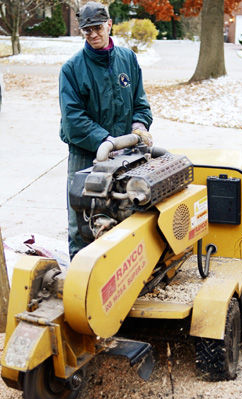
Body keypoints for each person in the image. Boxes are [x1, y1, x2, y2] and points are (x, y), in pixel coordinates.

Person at [59, 1, 153, 260]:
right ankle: (80, 270)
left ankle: (122, 268)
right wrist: (106, 141)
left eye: (98, 28)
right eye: (86, 30)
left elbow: (140, 103)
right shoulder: (72, 69)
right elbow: (73, 120)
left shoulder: (128, 60)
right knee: (82, 215)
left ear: (109, 24)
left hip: (125, 151)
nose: (93, 35)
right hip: (86, 152)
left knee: (124, 208)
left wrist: (138, 125)